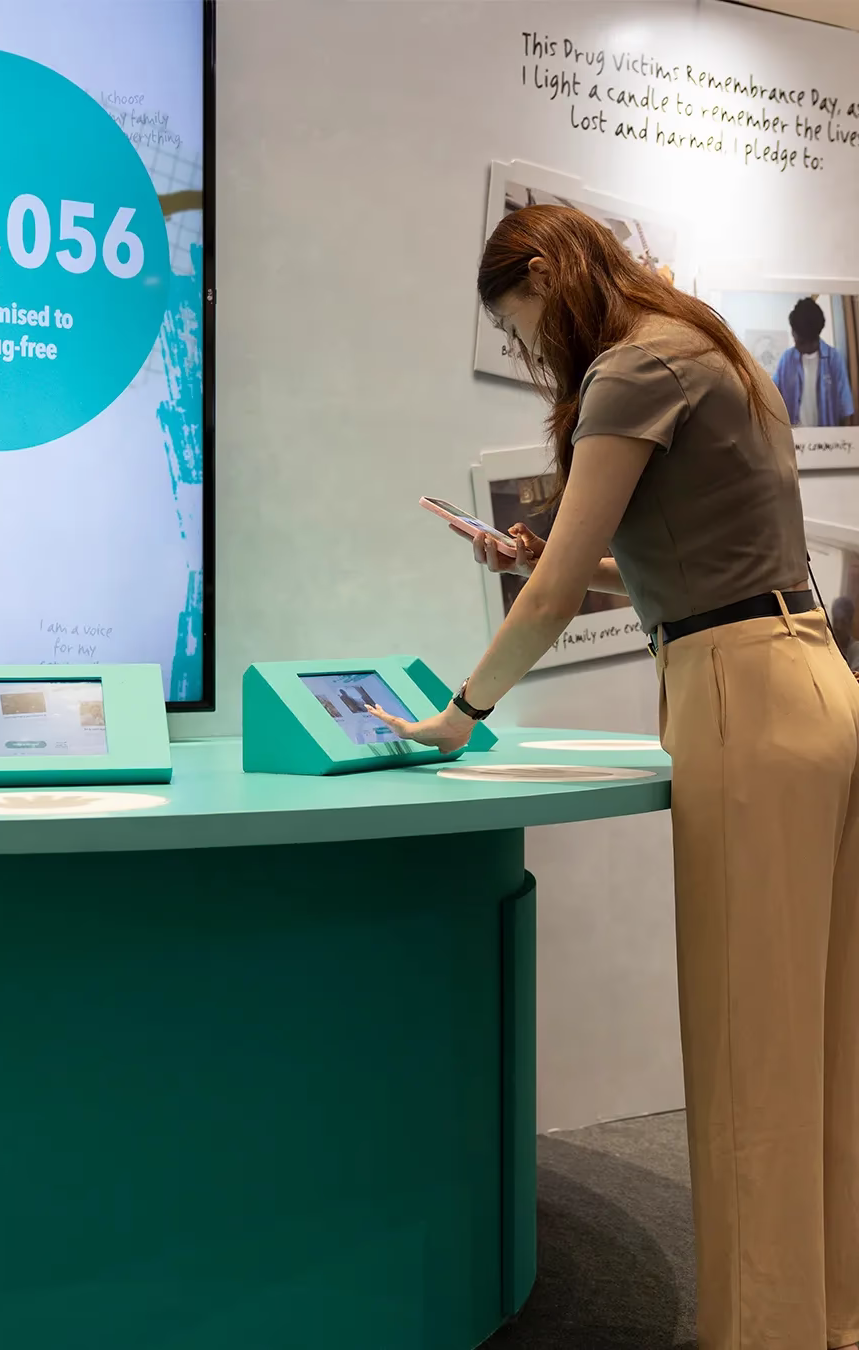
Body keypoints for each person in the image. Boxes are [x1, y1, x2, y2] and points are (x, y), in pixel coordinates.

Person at [368, 204, 859, 1350]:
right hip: (810, 677)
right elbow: (674, 551)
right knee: (821, 1041)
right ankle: (827, 1314)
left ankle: (763, 1334)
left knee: (747, 1049)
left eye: (521, 323)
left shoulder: (630, 367)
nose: (531, 348)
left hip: (741, 695)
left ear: (547, 270)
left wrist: (462, 713)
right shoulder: (701, 342)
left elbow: (548, 605)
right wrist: (546, 552)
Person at [773, 296, 856, 428]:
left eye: (799, 339)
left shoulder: (834, 359)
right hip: (794, 436)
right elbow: (772, 394)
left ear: (813, 338)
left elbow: (846, 410)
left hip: (825, 437)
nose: (794, 338)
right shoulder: (787, 359)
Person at [831, 594, 859, 671]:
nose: (838, 627)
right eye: (835, 621)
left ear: (850, 623)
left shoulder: (856, 649)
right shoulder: (827, 646)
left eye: (843, 622)